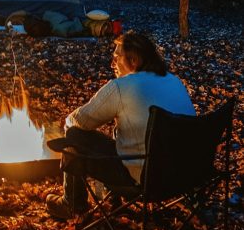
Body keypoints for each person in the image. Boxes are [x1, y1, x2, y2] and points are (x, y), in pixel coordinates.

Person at [46, 30, 196, 219]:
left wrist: (69, 123)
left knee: (74, 133)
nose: (112, 63)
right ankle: (109, 199)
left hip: (146, 180)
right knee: (124, 133)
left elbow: (80, 120)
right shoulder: (173, 80)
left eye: (117, 58)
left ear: (133, 61)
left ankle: (71, 204)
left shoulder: (122, 86)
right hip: (187, 174)